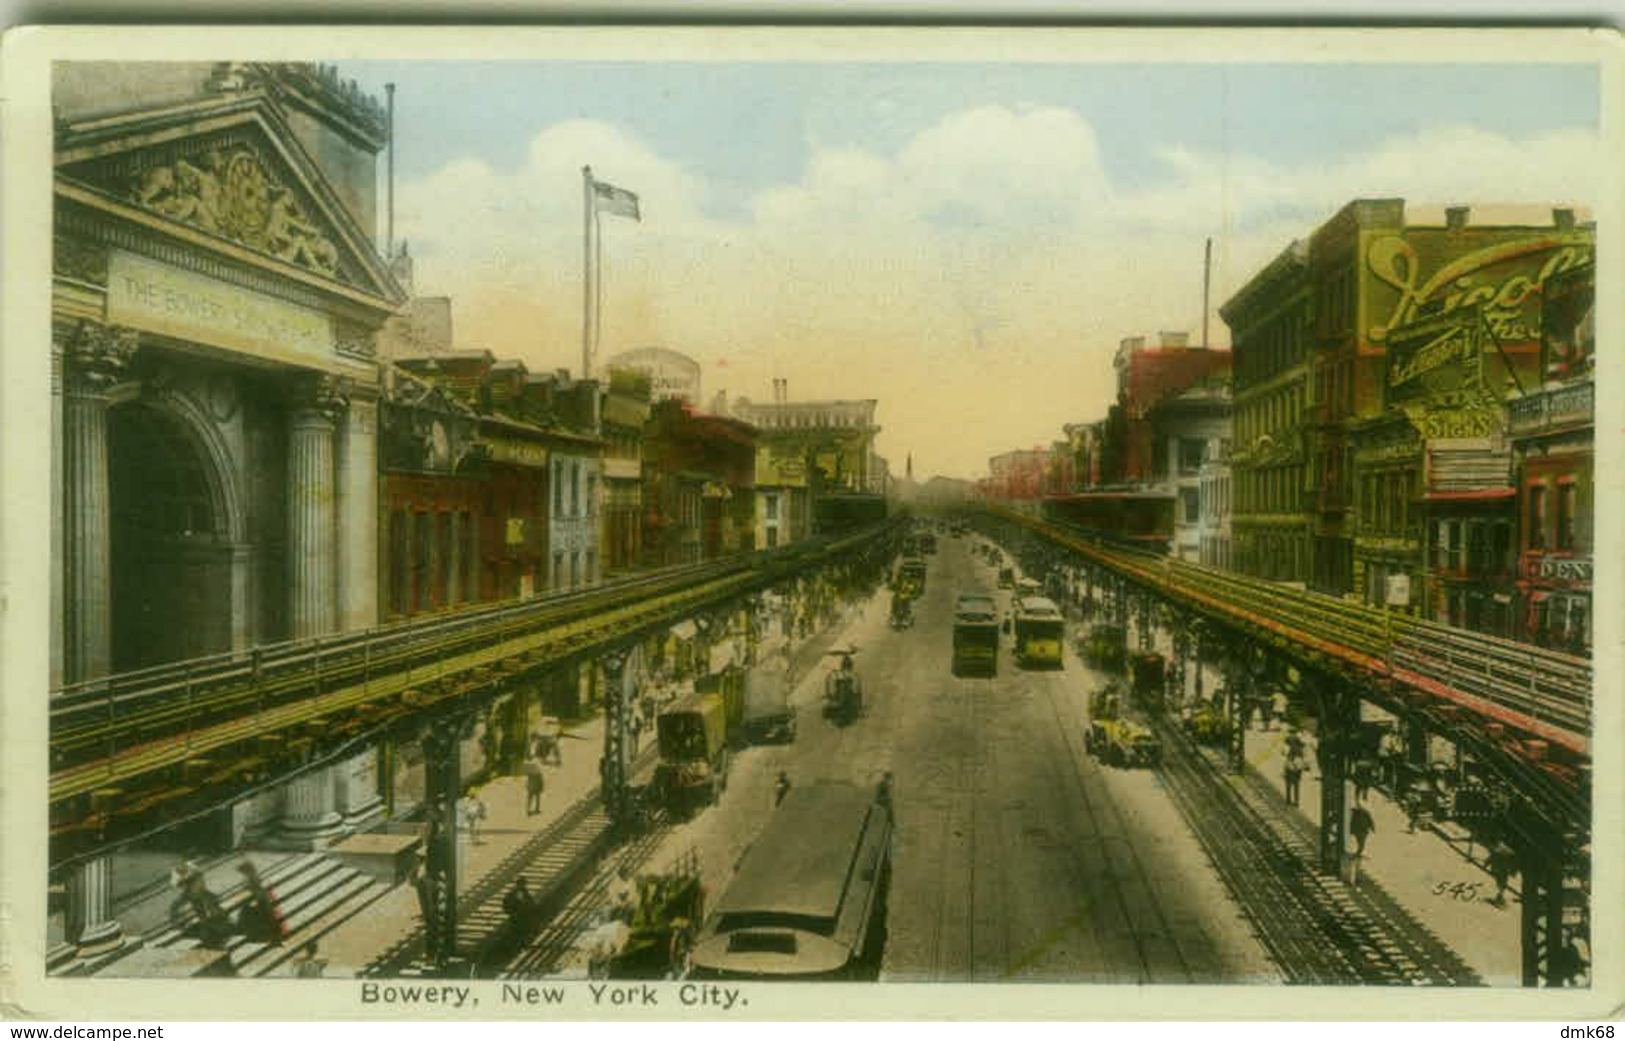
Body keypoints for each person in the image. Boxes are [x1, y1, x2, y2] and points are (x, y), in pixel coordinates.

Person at [235, 861, 288, 945]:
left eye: (244, 872)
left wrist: (250, 899)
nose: (244, 875)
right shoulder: (253, 878)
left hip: (263, 902)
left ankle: (263, 935)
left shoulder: (253, 879)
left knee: (246, 912)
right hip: (263, 901)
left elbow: (259, 893)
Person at [1487, 841, 1517, 908]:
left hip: (1499, 869)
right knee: (1502, 883)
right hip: (1502, 870)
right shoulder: (1508, 852)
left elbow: (1491, 857)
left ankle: (1500, 897)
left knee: (1501, 883)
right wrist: (1513, 872)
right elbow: (1513, 862)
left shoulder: (1499, 850)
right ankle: (1500, 897)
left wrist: (1486, 864)